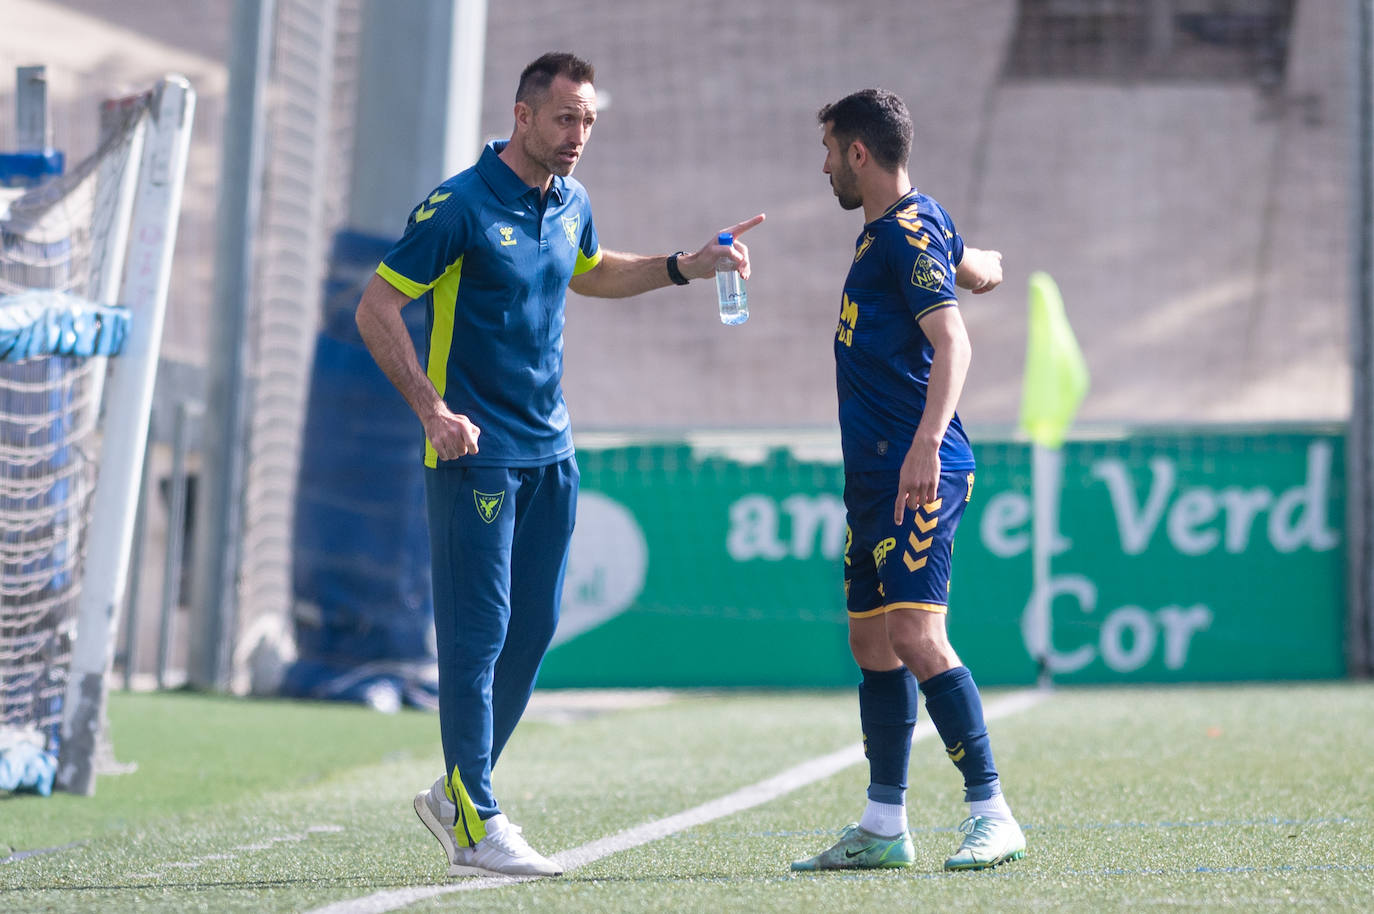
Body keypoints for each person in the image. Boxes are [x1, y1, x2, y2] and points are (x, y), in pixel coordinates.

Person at [355, 51, 764, 879]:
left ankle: (457, 793)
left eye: (588, 121)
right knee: (478, 637)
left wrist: (688, 264)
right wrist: (434, 413)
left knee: (533, 632)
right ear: (523, 116)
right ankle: (477, 820)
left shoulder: (570, 200)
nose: (578, 135)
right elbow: (375, 306)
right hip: (477, 456)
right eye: (565, 119)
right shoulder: (459, 207)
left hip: (554, 451)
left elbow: (592, 270)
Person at [790, 88, 1024, 874]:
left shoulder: (899, 236)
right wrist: (981, 263)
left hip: (915, 469)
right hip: (873, 480)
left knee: (918, 635)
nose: (824, 166)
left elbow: (953, 342)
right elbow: (954, 262)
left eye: (829, 151)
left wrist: (926, 445)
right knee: (871, 639)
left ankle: (992, 812)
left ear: (859, 153)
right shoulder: (907, 227)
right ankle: (883, 824)